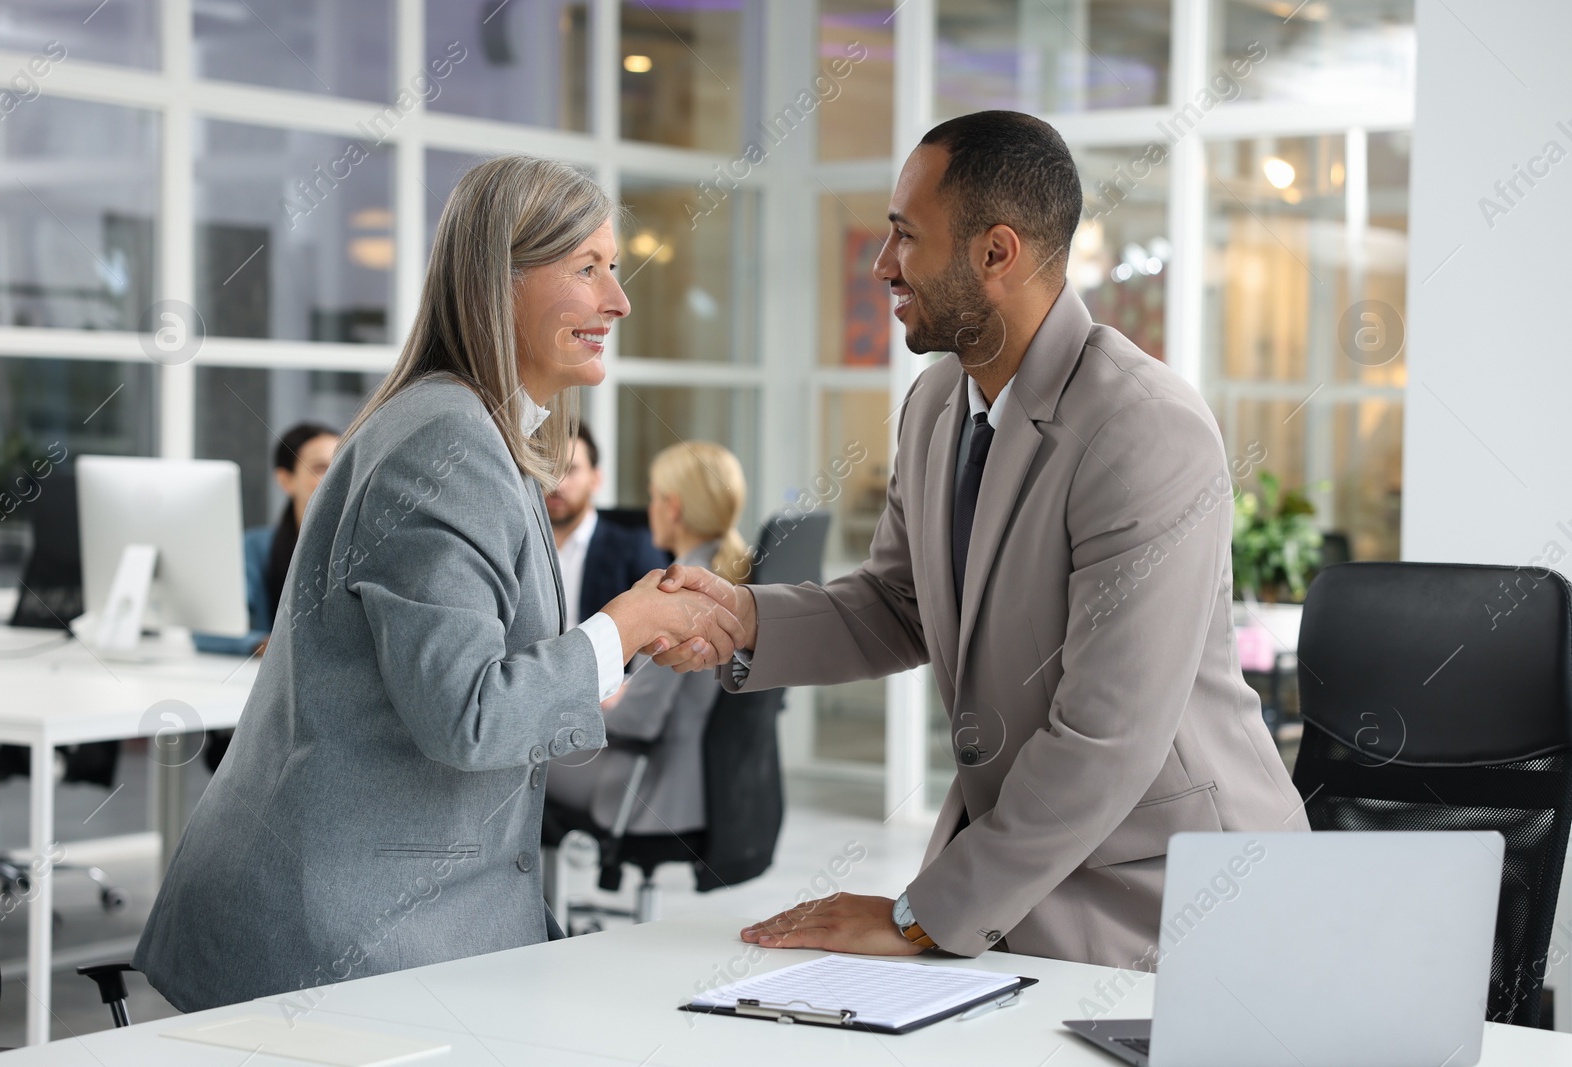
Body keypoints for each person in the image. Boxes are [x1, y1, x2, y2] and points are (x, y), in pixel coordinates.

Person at [655, 111, 1308, 969]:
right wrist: (742, 619)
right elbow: (899, 602)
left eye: (903, 236)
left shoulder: (1143, 427)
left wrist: (916, 917)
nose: (882, 264)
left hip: (1172, 898)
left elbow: (1106, 738)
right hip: (1027, 875)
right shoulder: (934, 408)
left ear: (996, 254)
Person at [133, 154, 745, 1011]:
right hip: (334, 938)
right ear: (500, 282)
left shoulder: (476, 431)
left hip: (412, 916)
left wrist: (614, 646)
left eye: (614, 267)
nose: (619, 300)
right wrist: (621, 628)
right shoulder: (445, 447)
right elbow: (469, 714)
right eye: (587, 268)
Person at [545, 440, 751, 837]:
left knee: (515, 761)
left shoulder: (682, 591)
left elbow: (638, 720)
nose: (649, 509)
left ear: (672, 508)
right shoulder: (729, 577)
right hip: (702, 788)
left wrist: (587, 698)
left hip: (645, 789)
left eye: (654, 497)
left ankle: (533, 898)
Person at [194, 422, 339, 659]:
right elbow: (207, 630)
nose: (335, 476)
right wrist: (267, 645)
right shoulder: (256, 547)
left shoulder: (365, 546)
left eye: (342, 464)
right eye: (320, 467)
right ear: (286, 480)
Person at [547, 422, 668, 628]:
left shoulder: (633, 549)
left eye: (571, 470)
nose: (557, 483)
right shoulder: (518, 548)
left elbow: (661, 621)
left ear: (595, 479)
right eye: (547, 469)